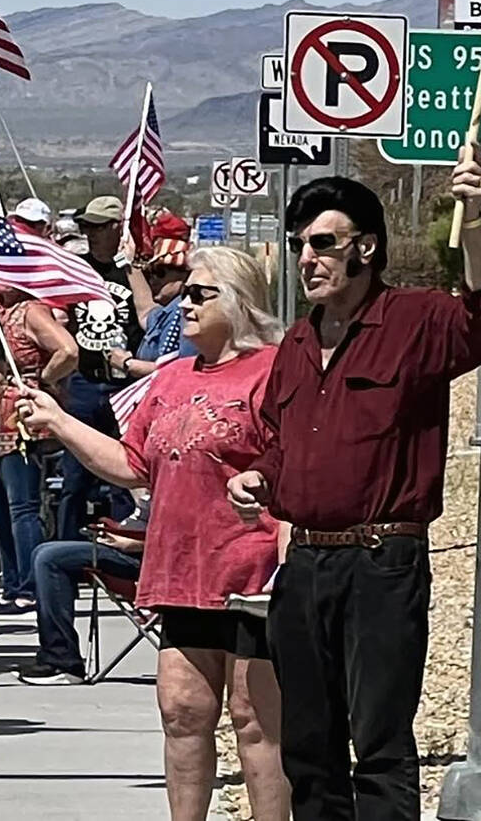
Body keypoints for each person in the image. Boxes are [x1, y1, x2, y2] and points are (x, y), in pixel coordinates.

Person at [228, 158, 481, 821]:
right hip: (302, 566)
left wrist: (472, 221)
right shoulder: (299, 340)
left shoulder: (414, 320)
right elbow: (282, 443)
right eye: (300, 243)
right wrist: (259, 478)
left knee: (381, 745)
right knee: (308, 746)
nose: (307, 256)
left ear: (365, 247)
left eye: (323, 242)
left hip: (381, 562)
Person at [20, 246, 291, 821]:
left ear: (239, 301)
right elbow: (132, 464)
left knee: (255, 720)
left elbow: (299, 462)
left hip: (253, 572)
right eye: (186, 292)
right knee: (182, 712)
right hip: (179, 570)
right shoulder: (169, 377)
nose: (183, 304)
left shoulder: (275, 369)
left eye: (199, 294)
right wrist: (59, 421)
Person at [57, 196, 154, 543]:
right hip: (84, 382)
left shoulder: (134, 275)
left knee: (122, 476)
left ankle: (119, 545)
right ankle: (66, 549)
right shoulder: (77, 270)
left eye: (98, 227)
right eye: (86, 227)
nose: (91, 234)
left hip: (124, 387)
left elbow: (150, 319)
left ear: (117, 228)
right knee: (74, 478)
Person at [0, 286, 78, 614]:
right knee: (0, 508)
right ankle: (12, 583)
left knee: (23, 507)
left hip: (23, 421)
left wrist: (42, 379)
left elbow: (68, 350)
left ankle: (30, 586)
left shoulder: (30, 311)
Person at [16, 522, 143, 685]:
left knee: (49, 558)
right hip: (130, 540)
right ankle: (54, 654)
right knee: (41, 550)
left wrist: (136, 543)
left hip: (145, 554)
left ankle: (62, 660)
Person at [112, 212, 198, 379]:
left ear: (184, 275)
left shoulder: (190, 312)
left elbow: (185, 371)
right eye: (149, 272)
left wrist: (128, 364)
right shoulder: (168, 312)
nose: (152, 279)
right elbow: (145, 311)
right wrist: (130, 264)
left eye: (160, 272)